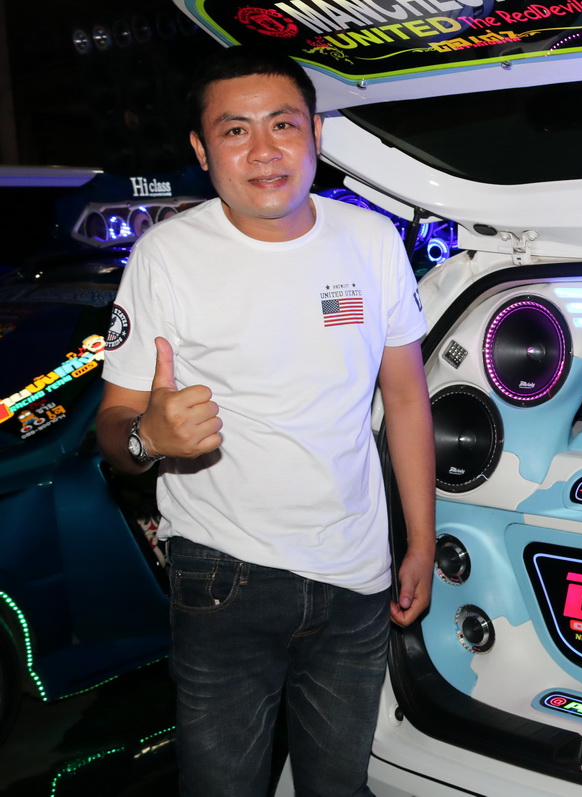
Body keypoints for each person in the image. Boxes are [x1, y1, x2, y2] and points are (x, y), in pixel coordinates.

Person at [95, 45, 435, 796]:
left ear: (315, 132)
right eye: (234, 131)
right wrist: (149, 437)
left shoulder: (371, 240)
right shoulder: (166, 256)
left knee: (338, 786)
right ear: (201, 149)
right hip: (224, 575)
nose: (263, 151)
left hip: (358, 575)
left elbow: (407, 400)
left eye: (282, 124)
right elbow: (113, 423)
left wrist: (418, 541)